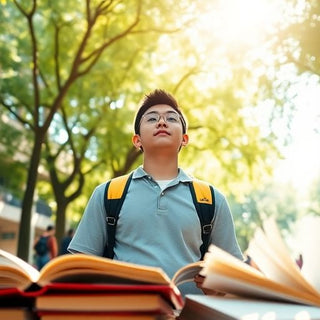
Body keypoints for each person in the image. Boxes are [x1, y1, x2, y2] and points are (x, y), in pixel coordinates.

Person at [68, 89, 243, 295]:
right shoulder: (108, 194)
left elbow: (235, 279)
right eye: (152, 118)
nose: (162, 122)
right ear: (137, 140)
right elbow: (78, 271)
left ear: (184, 139)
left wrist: (217, 287)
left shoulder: (211, 200)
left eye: (171, 118)